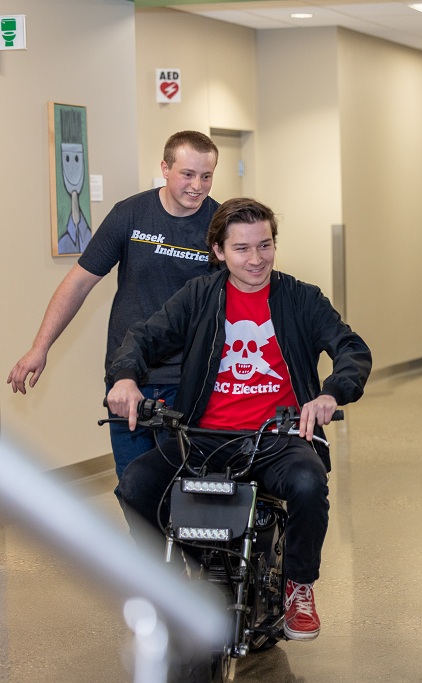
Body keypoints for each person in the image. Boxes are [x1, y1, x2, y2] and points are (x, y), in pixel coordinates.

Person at [106, 197, 372, 641]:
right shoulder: (199, 296)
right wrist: (126, 378)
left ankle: (299, 585)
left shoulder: (301, 298)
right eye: (242, 248)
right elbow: (143, 337)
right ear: (218, 251)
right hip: (203, 436)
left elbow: (351, 348)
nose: (256, 259)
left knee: (308, 484)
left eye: (264, 245)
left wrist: (330, 393)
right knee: (136, 486)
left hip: (278, 436)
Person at [7, 131, 219, 481]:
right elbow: (78, 282)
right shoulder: (130, 214)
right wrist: (39, 347)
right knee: (133, 485)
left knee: (186, 489)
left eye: (206, 176)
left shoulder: (219, 225)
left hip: (189, 377)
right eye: (188, 174)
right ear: (165, 168)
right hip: (127, 377)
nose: (197, 186)